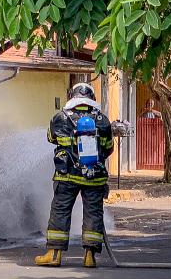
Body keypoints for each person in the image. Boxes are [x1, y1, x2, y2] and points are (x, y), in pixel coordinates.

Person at [35, 82, 114, 268]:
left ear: (73, 96)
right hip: (94, 175)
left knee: (60, 211)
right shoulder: (102, 120)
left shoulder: (60, 117)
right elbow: (109, 148)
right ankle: (89, 257)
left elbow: (50, 138)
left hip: (67, 175)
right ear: (92, 98)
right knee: (93, 212)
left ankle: (54, 254)